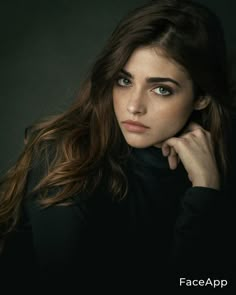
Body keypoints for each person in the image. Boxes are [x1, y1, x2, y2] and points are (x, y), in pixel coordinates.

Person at [0, 0, 236, 292]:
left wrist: (206, 187)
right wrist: (204, 201)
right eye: (124, 81)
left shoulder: (220, 166)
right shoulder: (67, 157)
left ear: (202, 97)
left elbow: (212, 285)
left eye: (161, 89)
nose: (133, 106)